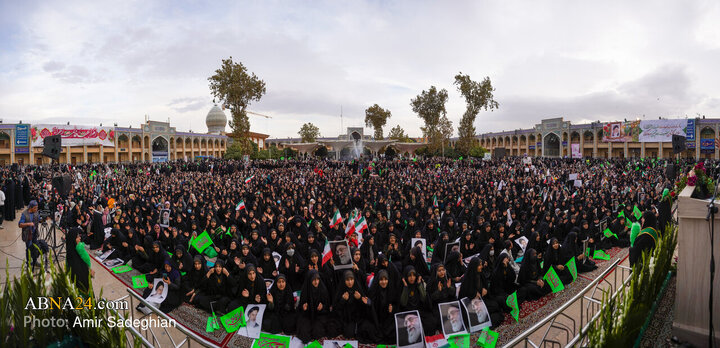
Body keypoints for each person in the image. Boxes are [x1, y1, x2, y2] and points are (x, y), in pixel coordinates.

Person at [19, 200, 48, 271]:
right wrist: (28, 224)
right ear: (31, 208)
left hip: (35, 234)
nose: (36, 209)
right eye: (35, 207)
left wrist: (43, 220)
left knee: (35, 248)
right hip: (28, 235)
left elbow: (38, 220)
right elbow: (20, 225)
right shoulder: (24, 214)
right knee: (29, 248)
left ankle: (35, 261)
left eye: (37, 207)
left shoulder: (36, 213)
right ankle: (29, 263)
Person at [66, 226, 93, 294]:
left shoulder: (71, 251)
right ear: (73, 239)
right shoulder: (74, 255)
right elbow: (86, 260)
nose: (80, 238)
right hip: (80, 285)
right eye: (78, 237)